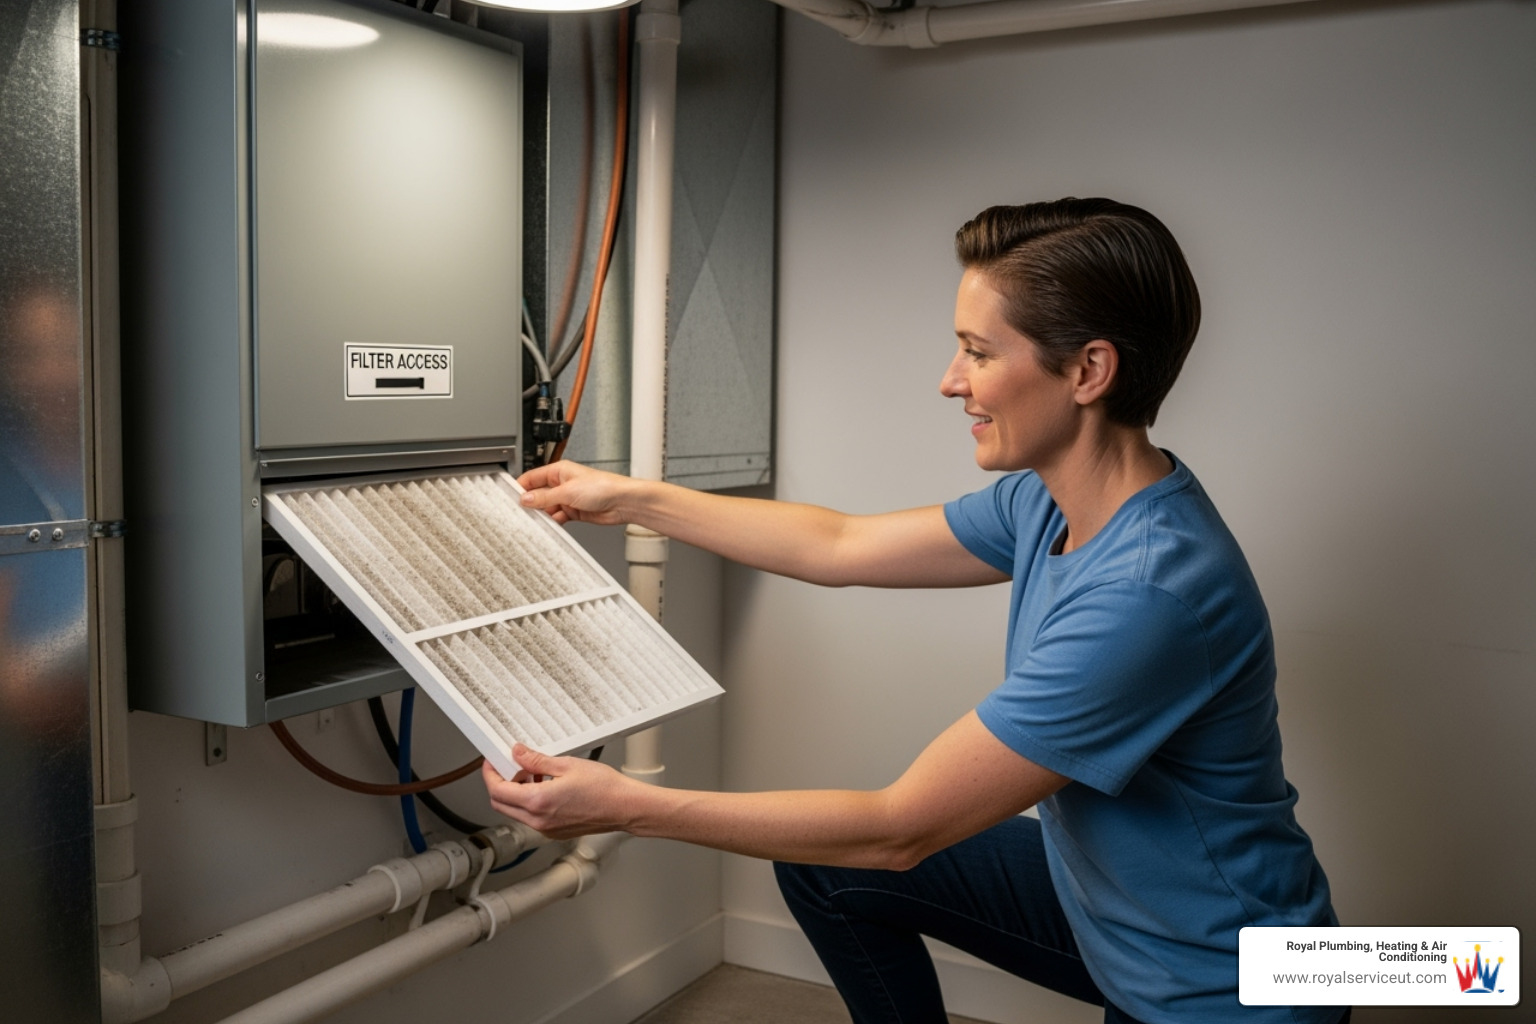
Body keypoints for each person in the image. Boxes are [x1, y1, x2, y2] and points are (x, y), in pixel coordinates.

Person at [482, 198, 1345, 1024]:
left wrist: (628, 805)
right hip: (1116, 910)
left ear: (1088, 371)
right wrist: (631, 498)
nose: (949, 381)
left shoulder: (1148, 596)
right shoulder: (1049, 503)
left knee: (859, 850)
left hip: (1218, 988)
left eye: (978, 351)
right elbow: (840, 546)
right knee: (820, 871)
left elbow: (898, 829)